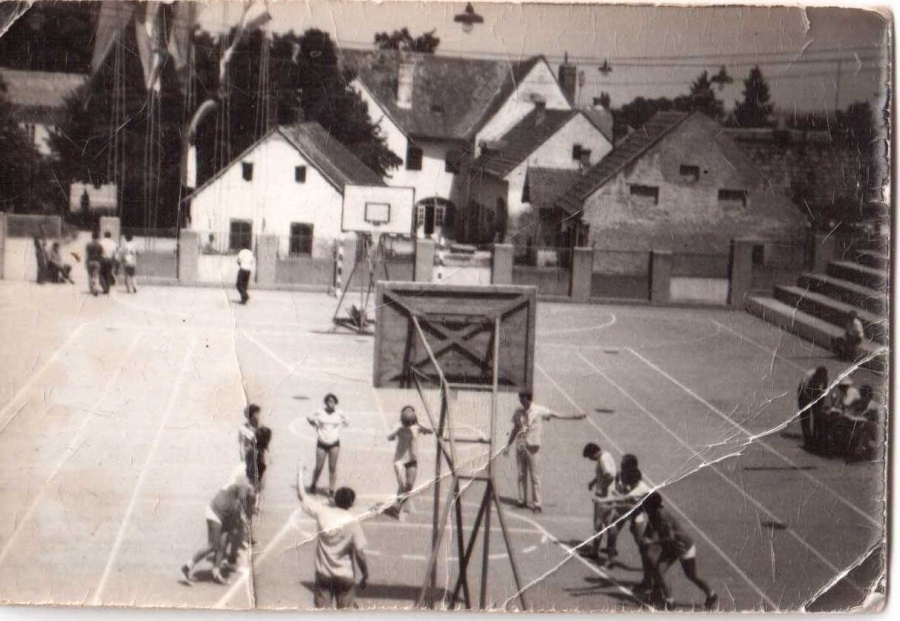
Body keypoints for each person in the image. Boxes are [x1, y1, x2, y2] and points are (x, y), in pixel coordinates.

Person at [296, 466, 369, 609]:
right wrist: (365, 574)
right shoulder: (353, 523)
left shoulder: (322, 513)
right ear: (351, 504)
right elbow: (360, 553)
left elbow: (302, 495)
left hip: (323, 573)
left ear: (335, 500)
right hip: (345, 575)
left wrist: (299, 474)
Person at [503, 390, 586, 513]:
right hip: (520, 445)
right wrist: (508, 445)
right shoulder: (518, 412)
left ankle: (537, 504)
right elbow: (515, 429)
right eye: (520, 400)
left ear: (528, 399)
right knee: (521, 475)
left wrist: (574, 417)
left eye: (523, 400)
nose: (521, 402)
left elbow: (555, 415)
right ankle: (521, 500)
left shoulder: (539, 410)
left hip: (533, 446)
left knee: (535, 476)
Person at [641, 492, 718, 611]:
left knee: (691, 575)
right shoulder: (654, 514)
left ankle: (712, 595)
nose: (643, 508)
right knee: (659, 569)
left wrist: (652, 542)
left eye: (645, 505)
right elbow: (650, 532)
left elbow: (670, 537)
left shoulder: (661, 515)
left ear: (651, 505)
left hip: (683, 547)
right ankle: (669, 601)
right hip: (674, 546)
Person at [181, 473, 255, 585]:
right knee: (212, 545)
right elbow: (242, 505)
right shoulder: (243, 486)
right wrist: (243, 518)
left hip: (226, 514)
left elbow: (241, 506)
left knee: (223, 543)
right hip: (216, 513)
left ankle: (216, 572)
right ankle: (186, 567)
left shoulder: (244, 485)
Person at [386, 406, 434, 519]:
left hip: (412, 460)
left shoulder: (417, 427)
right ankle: (396, 507)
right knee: (402, 485)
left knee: (409, 485)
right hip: (399, 460)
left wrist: (421, 424)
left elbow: (430, 431)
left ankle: (397, 506)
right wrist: (397, 431)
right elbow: (389, 437)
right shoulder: (398, 427)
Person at [583, 442, 618, 563]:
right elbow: (604, 474)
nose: (590, 460)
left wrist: (601, 487)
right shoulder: (606, 455)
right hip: (610, 496)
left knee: (598, 524)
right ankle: (610, 554)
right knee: (608, 524)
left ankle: (595, 552)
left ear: (593, 453)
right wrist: (593, 482)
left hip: (603, 497)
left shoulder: (602, 459)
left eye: (590, 457)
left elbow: (610, 475)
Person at [307, 394, 348, 496]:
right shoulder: (320, 412)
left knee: (332, 467)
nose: (331, 403)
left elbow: (347, 421)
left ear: (335, 403)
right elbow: (309, 417)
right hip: (322, 443)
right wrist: (315, 426)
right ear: (326, 402)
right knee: (319, 466)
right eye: (329, 401)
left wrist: (339, 429)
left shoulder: (339, 413)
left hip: (334, 443)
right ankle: (313, 484)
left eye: (333, 402)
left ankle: (332, 489)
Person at [797, 366, 829, 450]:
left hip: (815, 390)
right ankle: (807, 440)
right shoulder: (808, 377)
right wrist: (811, 402)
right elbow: (805, 392)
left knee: (817, 416)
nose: (821, 379)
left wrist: (820, 405)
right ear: (816, 375)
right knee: (805, 416)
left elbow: (825, 390)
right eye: (819, 377)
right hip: (804, 392)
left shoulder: (825, 378)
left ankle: (815, 439)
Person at [85, 231, 103, 296]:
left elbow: (87, 254)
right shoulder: (99, 246)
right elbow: (101, 255)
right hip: (97, 261)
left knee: (90, 275)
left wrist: (86, 262)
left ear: (92, 237)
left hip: (89, 261)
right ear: (98, 237)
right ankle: (95, 287)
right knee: (95, 276)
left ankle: (91, 289)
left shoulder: (88, 245)